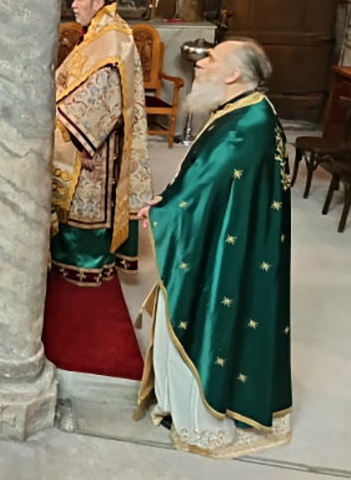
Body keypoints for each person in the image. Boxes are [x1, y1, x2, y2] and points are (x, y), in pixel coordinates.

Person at [135, 39, 291, 458]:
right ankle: (178, 402)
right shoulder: (245, 109)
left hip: (226, 244)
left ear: (234, 74)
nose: (201, 63)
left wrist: (165, 211)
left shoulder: (246, 124)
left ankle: (200, 416)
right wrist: (170, 198)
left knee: (205, 310)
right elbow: (205, 177)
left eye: (212, 59)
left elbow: (208, 185)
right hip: (229, 232)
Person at [51, 0, 153, 285]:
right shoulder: (100, 31)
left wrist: (80, 140)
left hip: (93, 143)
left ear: (98, 2)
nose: (74, 4)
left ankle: (85, 261)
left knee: (87, 199)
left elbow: (105, 94)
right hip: (81, 132)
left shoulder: (113, 38)